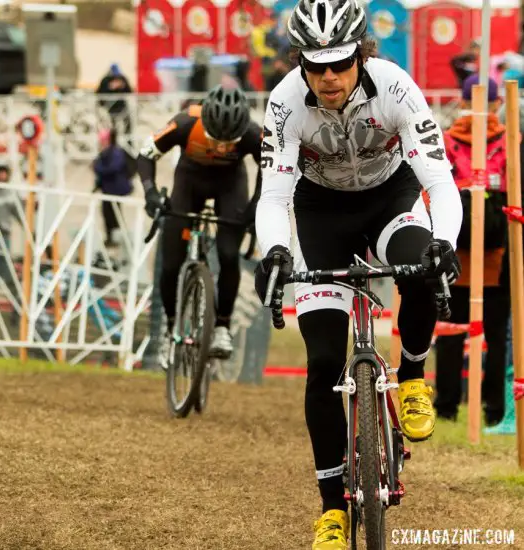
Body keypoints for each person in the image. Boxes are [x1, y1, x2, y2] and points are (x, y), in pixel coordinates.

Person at [253, 1, 463, 547]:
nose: (327, 78)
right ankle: (332, 510)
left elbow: (439, 181)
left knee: (420, 269)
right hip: (321, 213)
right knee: (323, 361)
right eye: (314, 65)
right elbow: (273, 196)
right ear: (300, 62)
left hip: (389, 199)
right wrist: (275, 251)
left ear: (360, 54)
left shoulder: (395, 87)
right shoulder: (283, 104)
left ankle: (413, 376)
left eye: (339, 64)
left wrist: (446, 241)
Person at [137, 84, 262, 363]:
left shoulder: (252, 132)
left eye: (229, 142)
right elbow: (146, 154)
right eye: (214, 138)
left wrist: (257, 202)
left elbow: (271, 164)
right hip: (189, 182)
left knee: (229, 255)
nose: (220, 146)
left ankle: (221, 327)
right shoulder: (185, 121)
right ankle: (170, 330)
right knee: (170, 264)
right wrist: (150, 193)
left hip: (230, 186)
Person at [434, 75, 522, 426]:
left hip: (456, 252)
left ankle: (446, 406)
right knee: (499, 334)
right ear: (498, 102)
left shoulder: (446, 141)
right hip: (499, 255)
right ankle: (495, 409)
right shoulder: (511, 140)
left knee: (450, 331)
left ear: (463, 99)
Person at [93, 127, 136, 247]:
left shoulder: (116, 152)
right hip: (108, 190)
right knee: (107, 214)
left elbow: (113, 168)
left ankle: (117, 238)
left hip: (115, 190)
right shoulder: (106, 152)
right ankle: (110, 238)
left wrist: (98, 168)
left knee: (115, 214)